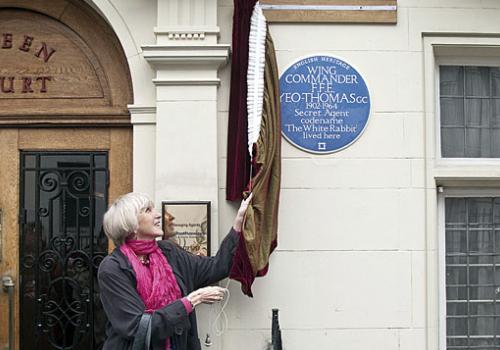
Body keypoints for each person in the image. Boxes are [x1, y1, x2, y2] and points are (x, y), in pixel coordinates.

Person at [97, 192, 250, 350]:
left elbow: (218, 267)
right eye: (148, 210)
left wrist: (238, 223)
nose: (157, 215)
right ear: (131, 225)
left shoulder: (169, 251)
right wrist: (191, 301)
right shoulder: (112, 268)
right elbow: (137, 327)